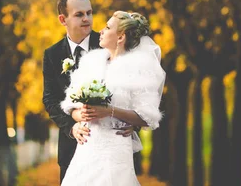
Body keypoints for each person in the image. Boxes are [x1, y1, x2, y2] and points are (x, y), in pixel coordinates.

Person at [60, 11, 166, 186]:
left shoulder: (138, 69)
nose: (101, 31)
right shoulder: (90, 63)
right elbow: (72, 105)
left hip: (115, 148)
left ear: (120, 37)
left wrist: (110, 111)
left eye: (108, 27)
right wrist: (79, 119)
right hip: (87, 147)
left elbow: (147, 117)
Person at [43, 0, 133, 183]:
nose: (87, 19)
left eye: (89, 13)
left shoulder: (107, 45)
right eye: (79, 14)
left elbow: (129, 89)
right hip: (71, 147)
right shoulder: (51, 55)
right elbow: (50, 99)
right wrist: (71, 127)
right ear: (62, 19)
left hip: (108, 150)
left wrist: (133, 122)